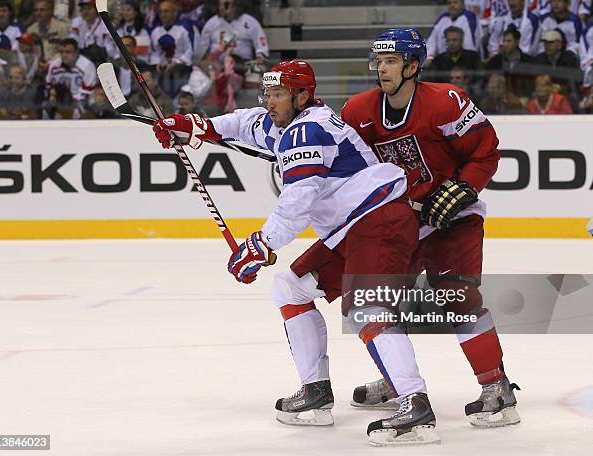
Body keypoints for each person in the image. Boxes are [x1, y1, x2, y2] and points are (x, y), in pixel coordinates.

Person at [151, 60, 427, 445]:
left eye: (278, 94)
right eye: (268, 93)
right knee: (290, 287)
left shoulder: (307, 130)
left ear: (302, 96)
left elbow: (297, 201)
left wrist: (261, 244)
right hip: (353, 227)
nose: (270, 102)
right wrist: (198, 126)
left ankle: (415, 406)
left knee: (366, 306)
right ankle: (315, 393)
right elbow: (246, 123)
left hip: (378, 219)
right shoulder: (289, 121)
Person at [340, 28, 520, 439]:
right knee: (378, 302)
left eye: (390, 61)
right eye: (378, 61)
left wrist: (465, 186)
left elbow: (485, 150)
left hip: (452, 219)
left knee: (457, 297)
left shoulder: (445, 101)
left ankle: (497, 388)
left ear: (413, 65)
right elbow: (347, 162)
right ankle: (400, 385)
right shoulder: (358, 109)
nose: (381, 68)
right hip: (400, 222)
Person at [149, 0, 194, 97]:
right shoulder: (155, 32)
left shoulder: (183, 31)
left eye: (166, 11)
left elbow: (189, 51)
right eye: (161, 11)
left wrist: (176, 63)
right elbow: (154, 53)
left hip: (180, 67)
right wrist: (157, 63)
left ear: (175, 13)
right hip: (162, 68)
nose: (163, 14)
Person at [45, 38, 97, 112]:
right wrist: (52, 95)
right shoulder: (54, 65)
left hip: (81, 102)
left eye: (68, 52)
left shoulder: (87, 66)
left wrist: (71, 102)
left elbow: (87, 92)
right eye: (61, 52)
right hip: (59, 101)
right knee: (45, 106)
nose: (64, 55)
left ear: (76, 52)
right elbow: (48, 84)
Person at [485, 28, 536, 99]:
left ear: (517, 42)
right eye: (504, 41)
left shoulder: (529, 61)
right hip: (499, 99)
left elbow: (532, 85)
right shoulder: (495, 61)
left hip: (523, 98)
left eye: (509, 41)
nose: (505, 44)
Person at [27, 0, 69, 65]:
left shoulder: (62, 28)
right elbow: (28, 53)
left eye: (42, 10)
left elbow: (66, 51)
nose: (38, 13)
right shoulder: (30, 30)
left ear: (50, 11)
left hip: (57, 65)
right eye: (36, 10)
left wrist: (51, 63)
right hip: (37, 67)